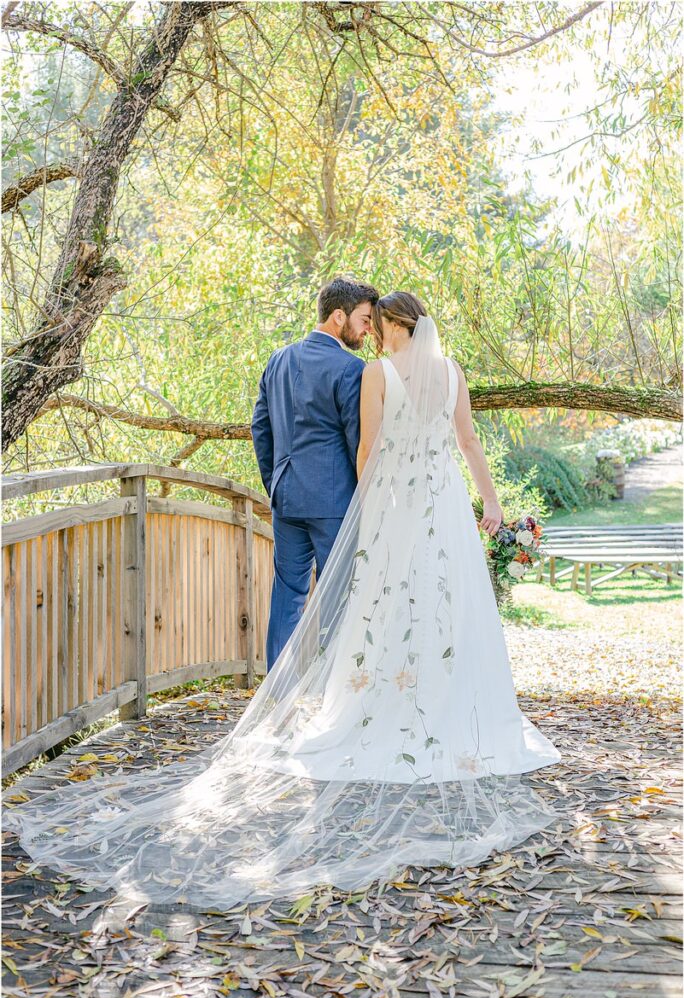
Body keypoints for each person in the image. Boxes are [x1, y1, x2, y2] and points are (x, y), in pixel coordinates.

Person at [3, 291, 561, 913]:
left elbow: (288, 432)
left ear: (394, 324)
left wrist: (282, 485)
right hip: (405, 502)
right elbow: (422, 444)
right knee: (400, 602)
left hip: (299, 496)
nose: (370, 331)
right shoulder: (405, 370)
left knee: (300, 597)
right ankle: (419, 698)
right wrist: (482, 504)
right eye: (363, 320)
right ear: (348, 316)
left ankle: (285, 696)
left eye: (378, 324)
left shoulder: (300, 364)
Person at [251, 276, 379, 669]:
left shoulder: (278, 359)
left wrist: (275, 480)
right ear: (338, 316)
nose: (368, 328)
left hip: (286, 497)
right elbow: (359, 441)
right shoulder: (350, 369)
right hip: (334, 500)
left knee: (286, 594)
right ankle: (331, 690)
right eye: (363, 319)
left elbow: (260, 428)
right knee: (336, 595)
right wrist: (367, 500)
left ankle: (277, 693)